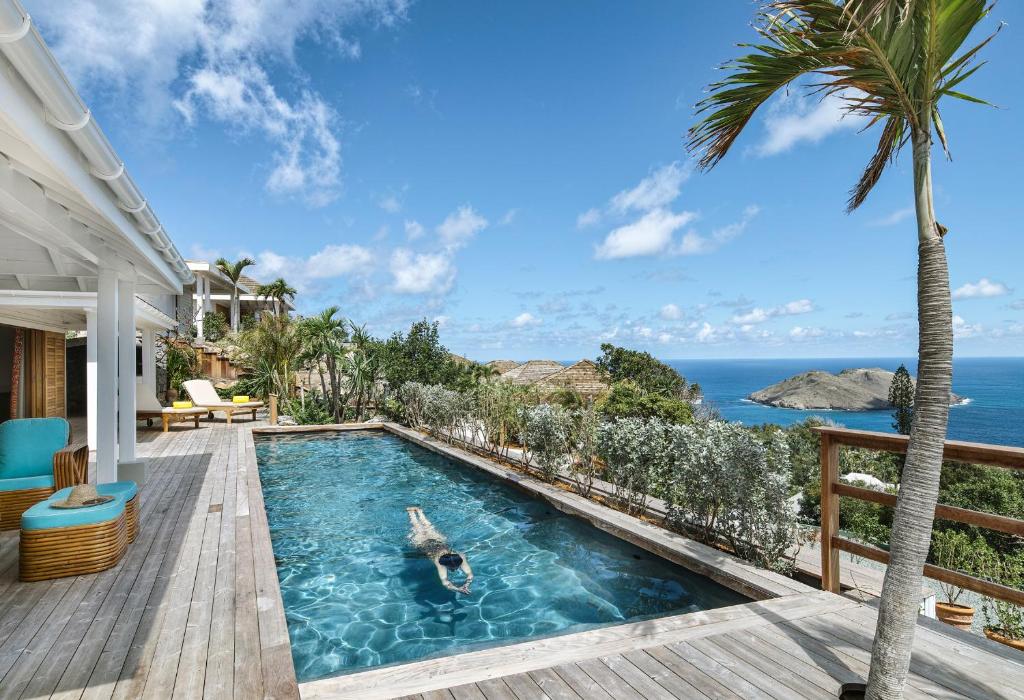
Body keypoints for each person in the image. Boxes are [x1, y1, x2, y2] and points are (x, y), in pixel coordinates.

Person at [406, 507, 474, 594]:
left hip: (438, 540)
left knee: (428, 526)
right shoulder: (439, 562)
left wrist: (466, 585)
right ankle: (412, 512)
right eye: (452, 568)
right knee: (417, 526)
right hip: (422, 542)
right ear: (446, 565)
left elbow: (469, 575)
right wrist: (458, 589)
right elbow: (444, 582)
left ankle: (419, 511)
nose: (455, 568)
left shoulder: (460, 557)